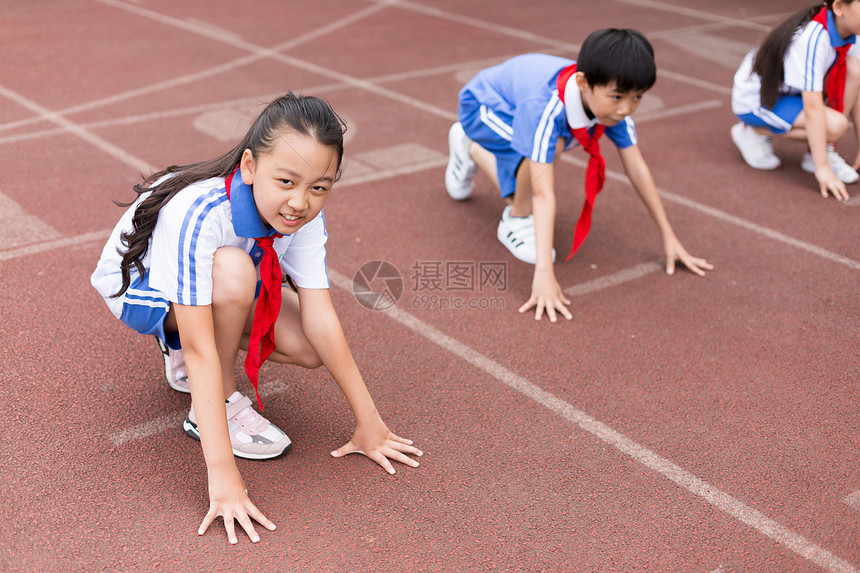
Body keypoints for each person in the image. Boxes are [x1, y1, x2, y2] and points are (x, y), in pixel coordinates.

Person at [91, 93, 422, 544]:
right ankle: (209, 405)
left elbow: (320, 316)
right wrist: (224, 479)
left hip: (222, 278)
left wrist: (370, 423)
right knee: (231, 273)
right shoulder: (200, 212)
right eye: (285, 181)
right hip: (141, 292)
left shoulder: (302, 214)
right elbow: (202, 348)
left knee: (307, 345)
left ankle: (196, 360)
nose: (300, 202)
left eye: (319, 187)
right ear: (249, 167)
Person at [444, 29, 712, 323]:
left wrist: (669, 238)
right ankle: (515, 216)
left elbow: (637, 168)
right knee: (546, 154)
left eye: (637, 97)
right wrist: (544, 274)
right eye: (618, 97)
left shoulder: (610, 102)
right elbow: (545, 193)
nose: (626, 108)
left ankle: (472, 151)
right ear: (585, 84)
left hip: (522, 106)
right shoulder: (545, 109)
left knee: (544, 153)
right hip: (483, 108)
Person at [731, 0, 860, 201]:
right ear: (839, 7)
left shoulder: (852, 31)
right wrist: (822, 168)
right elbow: (813, 109)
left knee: (854, 70)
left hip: (791, 93)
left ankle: (819, 149)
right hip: (756, 98)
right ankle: (751, 130)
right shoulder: (813, 38)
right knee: (835, 126)